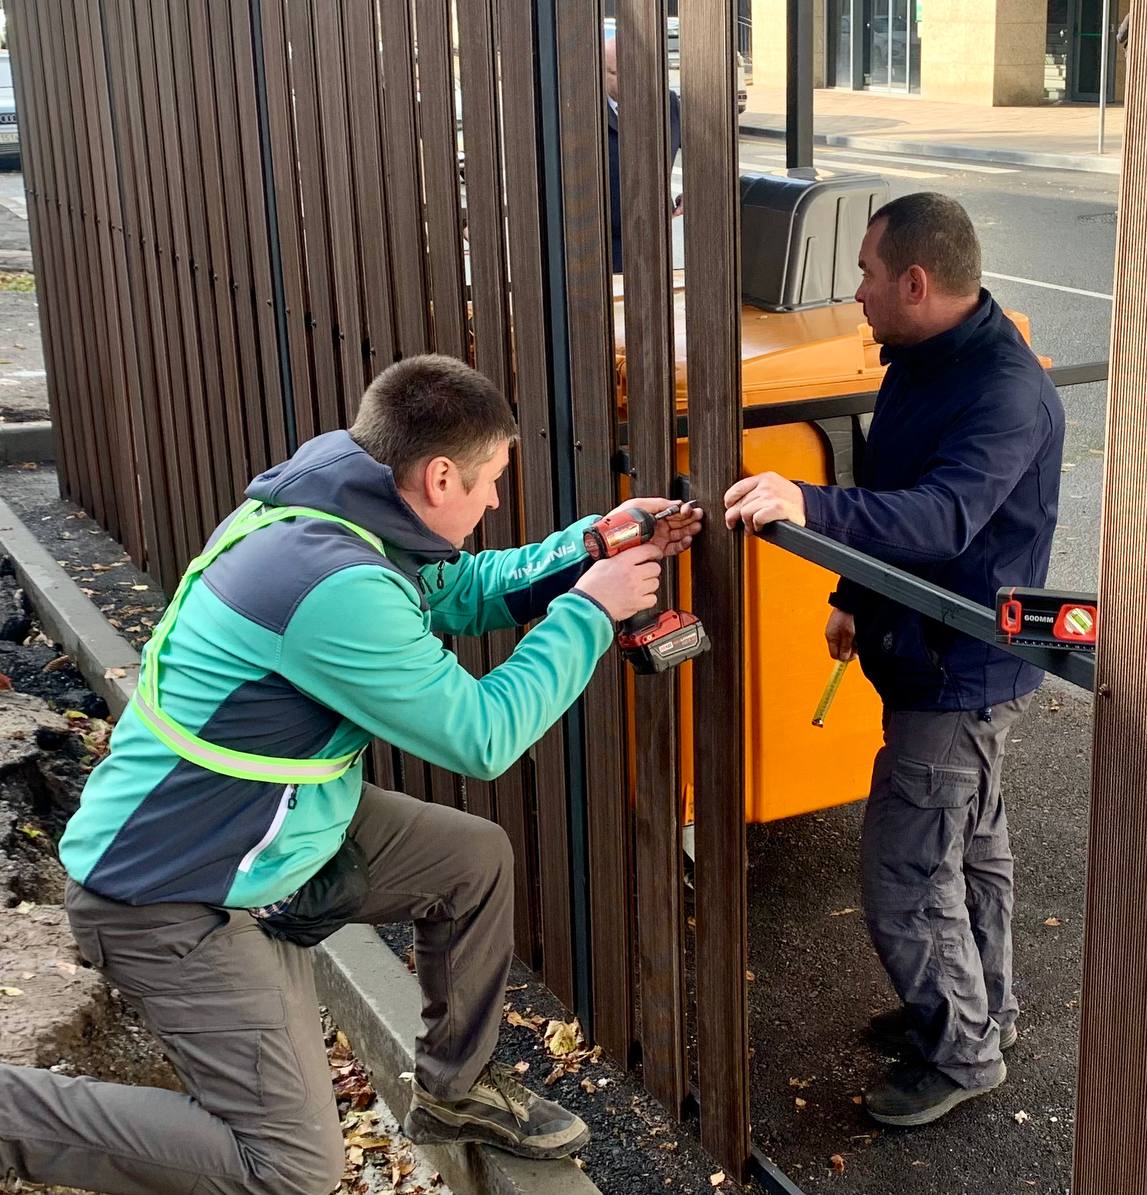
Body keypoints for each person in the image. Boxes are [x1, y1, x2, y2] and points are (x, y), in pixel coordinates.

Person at [0, 354, 702, 1195]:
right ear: (439, 475)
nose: (492, 503)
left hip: (265, 826)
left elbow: (459, 589)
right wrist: (590, 609)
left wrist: (588, 546)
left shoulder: (339, 509)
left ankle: (456, 1092)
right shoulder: (330, 584)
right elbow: (483, 735)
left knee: (470, 859)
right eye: (489, 483)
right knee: (291, 1170)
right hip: (171, 892)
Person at [723, 193, 1065, 1127]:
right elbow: (893, 487)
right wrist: (850, 596)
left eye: (869, 273)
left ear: (917, 282)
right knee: (970, 847)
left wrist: (806, 506)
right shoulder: (925, 355)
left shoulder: (1001, 390)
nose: (859, 292)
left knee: (908, 871)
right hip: (924, 642)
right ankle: (977, 1007)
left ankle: (959, 1049)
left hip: (961, 669)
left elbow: (941, 516)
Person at [603, 29, 682, 274]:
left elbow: (706, 153)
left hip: (656, 237)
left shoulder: (666, 103)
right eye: (616, 73)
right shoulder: (581, 110)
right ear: (600, 72)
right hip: (602, 243)